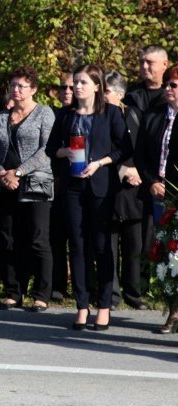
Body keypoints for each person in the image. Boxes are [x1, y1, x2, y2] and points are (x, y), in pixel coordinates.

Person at [46, 64, 132, 331]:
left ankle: (104, 306)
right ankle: (82, 305)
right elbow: (51, 149)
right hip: (73, 186)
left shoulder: (111, 114)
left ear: (97, 86)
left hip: (101, 186)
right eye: (74, 83)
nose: (76, 87)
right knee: (78, 245)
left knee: (102, 244)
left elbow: (125, 149)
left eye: (82, 82)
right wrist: (65, 153)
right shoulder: (66, 116)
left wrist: (100, 162)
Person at [0, 66, 55, 312]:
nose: (15, 90)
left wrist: (20, 171)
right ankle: (13, 291)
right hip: (6, 184)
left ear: (33, 89)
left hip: (35, 184)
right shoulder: (1, 118)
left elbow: (46, 150)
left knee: (37, 239)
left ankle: (41, 294)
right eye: (13, 85)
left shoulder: (44, 114)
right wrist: (2, 172)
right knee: (9, 238)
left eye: (21, 86)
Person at [135, 64, 178, 333]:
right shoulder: (155, 115)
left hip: (177, 193)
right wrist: (151, 180)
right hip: (159, 193)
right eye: (166, 85)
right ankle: (173, 310)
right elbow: (140, 153)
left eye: (173, 85)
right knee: (167, 253)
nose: (168, 89)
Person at [104, 71, 147, 310]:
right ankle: (111, 294)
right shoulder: (98, 116)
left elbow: (144, 145)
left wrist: (140, 172)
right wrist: (122, 170)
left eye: (107, 91)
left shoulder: (134, 114)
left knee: (134, 243)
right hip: (110, 183)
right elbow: (100, 149)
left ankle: (134, 292)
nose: (102, 95)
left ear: (120, 94)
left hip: (135, 187)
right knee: (109, 244)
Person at [49, 72, 73, 302]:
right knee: (56, 238)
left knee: (80, 239)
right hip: (57, 182)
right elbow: (50, 148)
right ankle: (57, 285)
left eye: (71, 88)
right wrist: (61, 152)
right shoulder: (56, 115)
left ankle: (85, 287)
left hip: (83, 184)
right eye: (63, 87)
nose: (67, 91)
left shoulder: (93, 115)